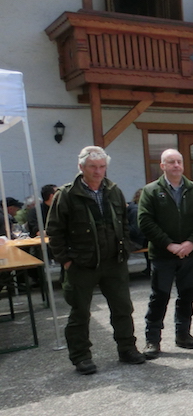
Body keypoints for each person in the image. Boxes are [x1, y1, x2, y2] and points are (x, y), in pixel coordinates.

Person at [46, 145, 145, 374]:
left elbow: (124, 222)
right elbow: (55, 231)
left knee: (122, 308)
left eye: (102, 166)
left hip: (113, 262)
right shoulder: (67, 194)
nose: (98, 171)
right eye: (92, 166)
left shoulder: (114, 191)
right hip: (81, 264)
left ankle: (127, 349)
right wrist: (66, 260)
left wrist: (125, 249)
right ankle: (81, 357)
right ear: (81, 167)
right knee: (80, 312)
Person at [136, 149, 193, 358]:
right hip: (163, 256)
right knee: (159, 297)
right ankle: (153, 340)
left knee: (187, 296)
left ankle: (183, 335)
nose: (176, 165)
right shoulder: (151, 191)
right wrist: (169, 245)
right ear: (162, 166)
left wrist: (191, 242)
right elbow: (145, 222)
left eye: (179, 161)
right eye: (171, 162)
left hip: (190, 254)